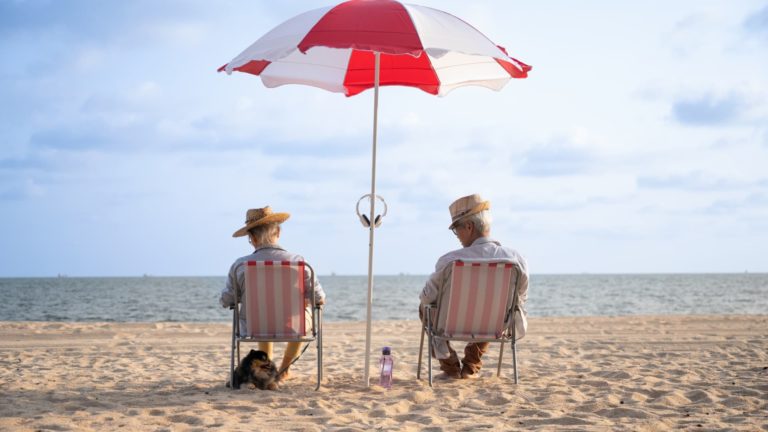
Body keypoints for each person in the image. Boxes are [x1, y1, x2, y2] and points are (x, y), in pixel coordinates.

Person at [419, 194, 529, 379]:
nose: (457, 236)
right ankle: (470, 366)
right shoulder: (516, 259)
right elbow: (521, 298)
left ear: (469, 227)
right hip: (494, 327)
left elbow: (426, 298)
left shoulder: (450, 261)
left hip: (450, 326)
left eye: (456, 229)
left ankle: (451, 368)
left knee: (425, 309)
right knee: (498, 310)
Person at [220, 206, 326, 382]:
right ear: (278, 231)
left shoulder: (240, 265)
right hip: (293, 327)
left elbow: (227, 300)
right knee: (301, 315)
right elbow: (319, 298)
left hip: (254, 327)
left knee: (263, 314)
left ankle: (266, 368)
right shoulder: (299, 263)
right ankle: (284, 369)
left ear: (252, 238)